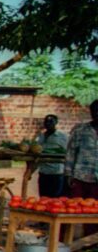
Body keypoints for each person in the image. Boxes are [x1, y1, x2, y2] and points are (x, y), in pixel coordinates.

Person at [65, 100, 98, 235]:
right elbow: (71, 152)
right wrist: (68, 174)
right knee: (71, 211)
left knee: (94, 214)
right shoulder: (80, 130)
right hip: (80, 176)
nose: (97, 114)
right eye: (94, 111)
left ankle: (91, 243)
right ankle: (66, 241)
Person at [36, 114, 68, 198]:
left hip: (56, 173)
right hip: (43, 172)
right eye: (46, 121)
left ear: (56, 122)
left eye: (51, 121)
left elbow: (67, 152)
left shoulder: (62, 136)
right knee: (43, 198)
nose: (48, 123)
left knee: (55, 200)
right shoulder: (41, 136)